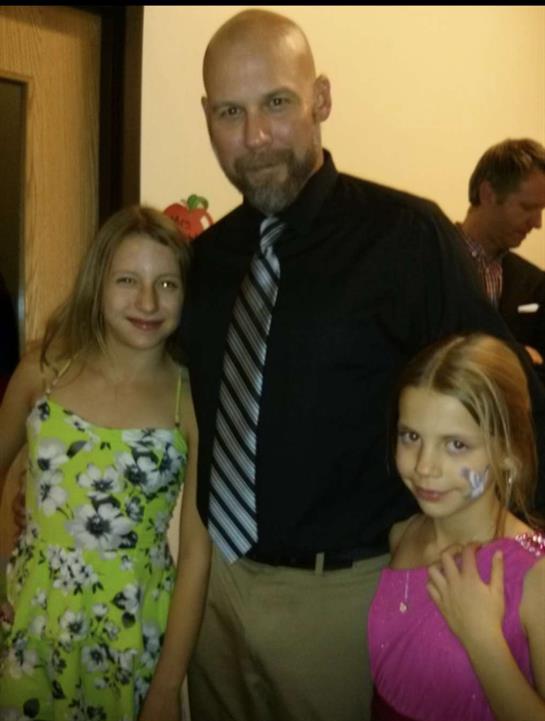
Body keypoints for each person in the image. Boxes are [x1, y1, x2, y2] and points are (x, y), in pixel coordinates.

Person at [180, 10, 545, 721]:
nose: (254, 136)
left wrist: (510, 539)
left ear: (320, 99)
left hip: (341, 603)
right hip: (213, 593)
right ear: (207, 116)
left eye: (276, 102)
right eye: (229, 112)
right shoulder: (207, 260)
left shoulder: (406, 238)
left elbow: (509, 395)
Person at [0, 206, 211, 721]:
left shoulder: (191, 400)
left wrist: (167, 687)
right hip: (31, 616)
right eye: (127, 280)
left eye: (167, 284)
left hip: (132, 631)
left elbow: (196, 552)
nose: (148, 302)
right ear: (97, 284)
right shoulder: (43, 371)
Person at [368, 333, 545, 721]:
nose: (424, 466)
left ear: (509, 453)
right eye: (411, 437)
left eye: (456, 445)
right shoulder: (405, 535)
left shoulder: (536, 576)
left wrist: (482, 638)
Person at [457, 138, 545, 376]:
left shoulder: (536, 283)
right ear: (488, 193)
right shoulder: (428, 260)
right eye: (527, 207)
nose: (537, 223)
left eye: (541, 210)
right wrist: (514, 354)